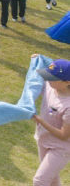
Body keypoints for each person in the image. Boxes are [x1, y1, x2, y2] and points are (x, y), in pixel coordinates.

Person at [30, 56, 70, 185]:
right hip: (43, 139)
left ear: (67, 82)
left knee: (40, 181)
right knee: (51, 179)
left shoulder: (68, 106)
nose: (47, 79)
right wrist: (37, 59)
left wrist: (41, 122)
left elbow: (64, 136)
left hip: (61, 148)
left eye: (52, 78)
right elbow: (49, 64)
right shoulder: (50, 86)